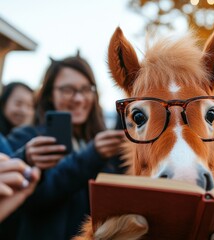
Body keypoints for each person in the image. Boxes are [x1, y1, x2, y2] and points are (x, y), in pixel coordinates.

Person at [5, 54, 127, 240]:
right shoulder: (27, 139)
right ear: (49, 94)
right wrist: (92, 155)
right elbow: (33, 199)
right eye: (67, 90)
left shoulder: (100, 141)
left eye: (86, 89)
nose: (78, 98)